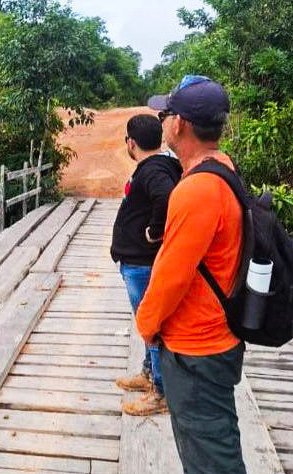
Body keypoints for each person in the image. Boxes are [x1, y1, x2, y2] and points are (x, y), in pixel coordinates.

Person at [136, 75, 249, 474]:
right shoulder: (223, 169)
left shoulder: (196, 190)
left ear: (180, 124)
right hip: (217, 338)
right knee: (211, 453)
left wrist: (146, 324)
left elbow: (171, 277)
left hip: (197, 350)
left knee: (212, 469)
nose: (162, 122)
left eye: (164, 114)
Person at [111, 114, 182, 415]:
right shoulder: (159, 166)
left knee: (152, 325)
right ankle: (148, 373)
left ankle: (161, 393)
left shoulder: (153, 171)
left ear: (131, 143)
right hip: (138, 261)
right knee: (146, 324)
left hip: (142, 263)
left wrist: (155, 231)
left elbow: (165, 196)